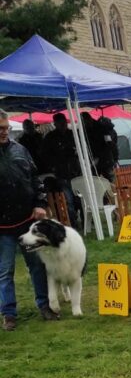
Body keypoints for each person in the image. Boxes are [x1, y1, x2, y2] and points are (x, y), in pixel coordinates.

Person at [0, 109, 58, 329]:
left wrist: (40, 204)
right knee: (5, 271)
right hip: (2, 226)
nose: (4, 132)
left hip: (26, 220)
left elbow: (35, 179)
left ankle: (44, 305)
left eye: (6, 128)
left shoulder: (20, 150)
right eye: (0, 129)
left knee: (37, 265)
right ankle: (9, 314)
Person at [42, 112, 82, 230]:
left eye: (64, 123)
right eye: (60, 123)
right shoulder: (50, 137)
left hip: (76, 172)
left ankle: (85, 222)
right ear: (55, 124)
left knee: (79, 199)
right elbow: (44, 155)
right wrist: (53, 167)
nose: (63, 125)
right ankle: (73, 224)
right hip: (61, 174)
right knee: (68, 201)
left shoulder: (72, 134)